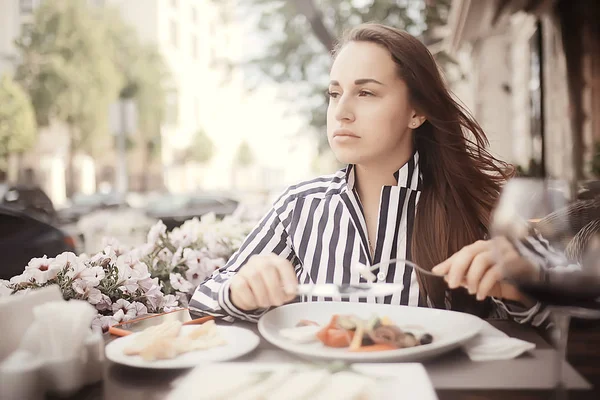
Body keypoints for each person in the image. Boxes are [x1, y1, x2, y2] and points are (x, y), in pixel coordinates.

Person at [189, 23, 551, 324]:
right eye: (334, 93)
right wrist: (240, 290)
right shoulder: (299, 206)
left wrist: (521, 286)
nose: (341, 111)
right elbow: (202, 302)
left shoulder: (482, 203)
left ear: (416, 112)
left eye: (365, 93)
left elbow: (565, 313)